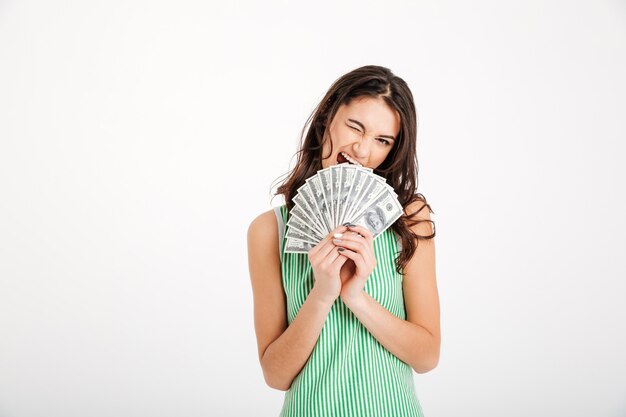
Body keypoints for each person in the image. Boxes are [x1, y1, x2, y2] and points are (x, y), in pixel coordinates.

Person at [247, 65, 439, 417]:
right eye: (356, 127)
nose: (363, 150)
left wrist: (355, 296)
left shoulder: (409, 218)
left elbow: (427, 356)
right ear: (327, 117)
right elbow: (275, 375)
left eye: (383, 140)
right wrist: (322, 295)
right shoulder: (269, 230)